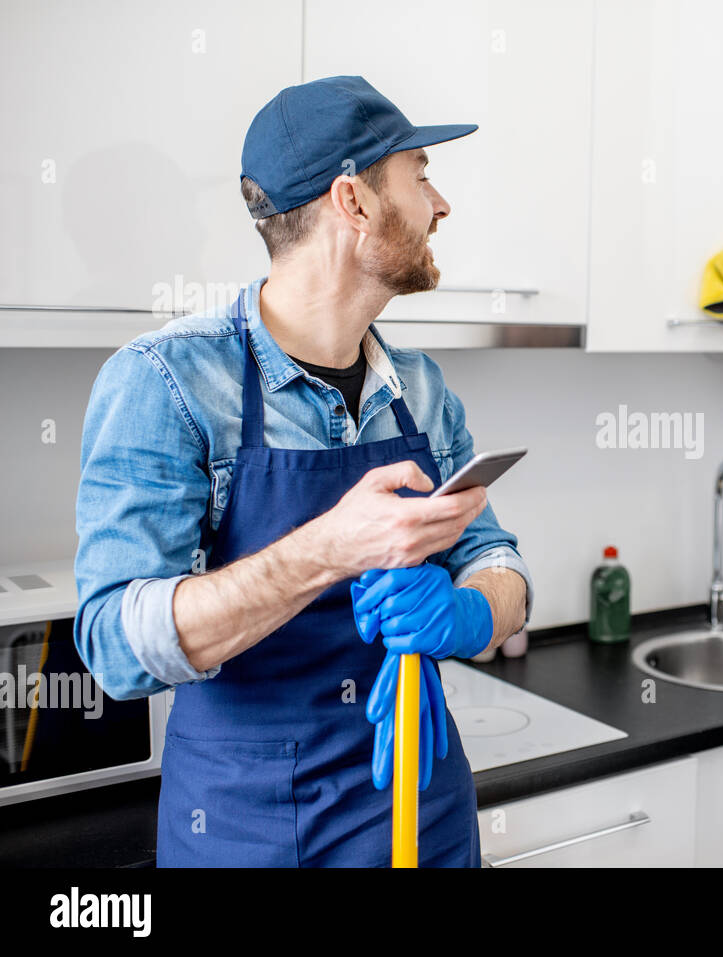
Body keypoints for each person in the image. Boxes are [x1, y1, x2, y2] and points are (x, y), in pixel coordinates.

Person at [73, 76, 532, 866]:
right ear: (353, 202)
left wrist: (465, 611)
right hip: (249, 830)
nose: (441, 204)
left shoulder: (419, 388)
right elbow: (114, 644)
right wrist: (329, 547)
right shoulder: (169, 382)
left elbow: (501, 566)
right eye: (420, 175)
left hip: (421, 811)